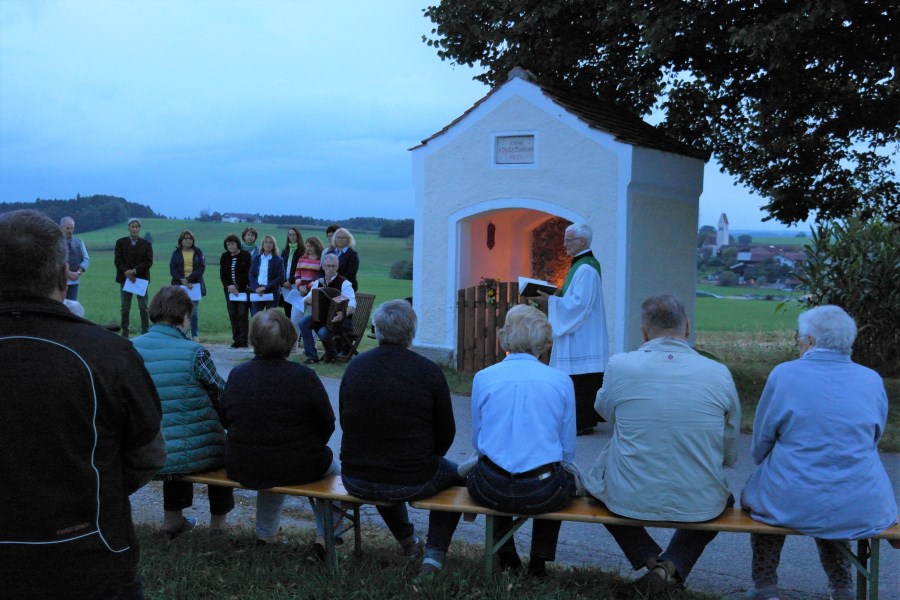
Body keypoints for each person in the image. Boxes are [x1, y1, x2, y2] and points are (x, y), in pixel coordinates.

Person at [0, 210, 166, 599]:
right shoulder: (110, 354)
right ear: (63, 275)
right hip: (87, 556)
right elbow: (149, 454)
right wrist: (96, 486)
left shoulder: (108, 354)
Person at [583, 294, 740, 596]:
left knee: (594, 486)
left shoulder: (620, 365)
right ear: (687, 327)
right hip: (699, 501)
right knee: (723, 499)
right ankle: (670, 566)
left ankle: (651, 562)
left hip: (628, 496)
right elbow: (729, 441)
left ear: (643, 330)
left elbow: (604, 410)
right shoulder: (718, 372)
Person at [741, 305, 897, 600]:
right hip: (862, 502)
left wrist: (770, 465)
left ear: (810, 341)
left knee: (766, 505)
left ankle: (765, 587)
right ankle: (842, 588)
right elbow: (872, 439)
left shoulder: (784, 374)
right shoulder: (871, 380)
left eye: (800, 339)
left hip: (790, 497)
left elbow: (761, 442)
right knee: (835, 504)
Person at [339, 300, 462, 566]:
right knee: (457, 477)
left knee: (387, 472)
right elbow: (446, 432)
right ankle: (433, 557)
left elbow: (346, 421)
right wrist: (424, 458)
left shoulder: (355, 367)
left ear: (377, 330)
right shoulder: (428, 371)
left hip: (355, 475)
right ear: (412, 332)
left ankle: (408, 542)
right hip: (409, 475)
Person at [460, 304, 579, 577]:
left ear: (507, 339)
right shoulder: (560, 381)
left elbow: (479, 442)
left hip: (491, 488)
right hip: (544, 491)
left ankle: (507, 554)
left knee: (493, 467)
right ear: (544, 343)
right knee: (560, 474)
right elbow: (567, 449)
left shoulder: (484, 377)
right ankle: (539, 561)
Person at [221, 309, 339, 560]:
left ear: (253, 341)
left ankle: (265, 534)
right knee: (336, 473)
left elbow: (227, 418)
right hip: (296, 463)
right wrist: (309, 445)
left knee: (269, 459)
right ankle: (325, 538)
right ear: (289, 341)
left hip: (242, 463)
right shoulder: (304, 376)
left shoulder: (237, 374)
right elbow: (327, 422)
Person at [132, 286, 234, 538]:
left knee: (172, 437)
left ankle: (172, 521)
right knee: (218, 447)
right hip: (194, 453)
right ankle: (218, 525)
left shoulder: (132, 348)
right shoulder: (194, 353)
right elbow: (222, 396)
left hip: (149, 450)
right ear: (186, 316)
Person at [526, 223, 608, 435]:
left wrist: (550, 302)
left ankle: (582, 422)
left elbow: (579, 304)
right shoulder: (578, 266)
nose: (564, 245)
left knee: (581, 380)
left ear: (582, 242)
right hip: (578, 332)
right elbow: (572, 299)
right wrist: (554, 297)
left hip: (583, 335)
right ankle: (575, 420)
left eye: (568, 240)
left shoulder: (587, 268)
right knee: (575, 380)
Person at [298, 253, 355, 364]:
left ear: (337, 266)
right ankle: (312, 357)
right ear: (323, 266)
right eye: (328, 265)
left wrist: (343, 314)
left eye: (333, 266)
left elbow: (352, 303)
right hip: (321, 318)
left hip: (341, 320)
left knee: (323, 332)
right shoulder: (318, 282)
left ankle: (332, 356)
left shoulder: (345, 283)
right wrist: (306, 300)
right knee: (303, 322)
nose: (331, 268)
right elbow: (305, 299)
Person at [114, 217, 153, 338]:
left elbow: (148, 261)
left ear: (139, 229)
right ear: (128, 228)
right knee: (125, 308)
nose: (134, 229)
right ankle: (125, 332)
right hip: (125, 279)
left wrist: (135, 271)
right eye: (132, 226)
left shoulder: (146, 244)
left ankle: (145, 332)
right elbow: (118, 260)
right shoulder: (120, 242)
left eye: (137, 227)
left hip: (141, 280)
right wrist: (126, 271)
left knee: (143, 307)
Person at [169, 230, 206, 341]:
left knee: (193, 311)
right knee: (179, 310)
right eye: (185, 238)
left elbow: (201, 268)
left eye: (190, 238)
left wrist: (189, 279)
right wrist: (183, 280)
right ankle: (180, 334)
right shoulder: (176, 253)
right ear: (181, 240)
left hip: (194, 285)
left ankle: (195, 335)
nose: (188, 240)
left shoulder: (198, 252)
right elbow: (172, 269)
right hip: (179, 285)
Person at [219, 233, 252, 348]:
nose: (230, 246)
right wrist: (230, 286)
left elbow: (247, 273)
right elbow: (223, 274)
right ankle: (236, 339)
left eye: (232, 244)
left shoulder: (245, 255)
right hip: (229, 290)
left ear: (237, 244)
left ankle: (244, 340)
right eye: (228, 244)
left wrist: (237, 286)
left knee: (242, 314)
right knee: (232, 314)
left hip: (242, 290)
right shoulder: (224, 256)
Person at [289, 236, 325, 335]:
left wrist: (307, 287)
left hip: (314, 294)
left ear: (317, 246)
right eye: (307, 246)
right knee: (295, 318)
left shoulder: (321, 260)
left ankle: (311, 345)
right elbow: (297, 273)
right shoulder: (302, 258)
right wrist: (300, 287)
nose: (309, 248)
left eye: (311, 246)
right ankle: (293, 345)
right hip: (300, 293)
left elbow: (319, 277)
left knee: (313, 320)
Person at [248, 235, 284, 315]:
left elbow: (281, 277)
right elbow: (251, 274)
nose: (268, 244)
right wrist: (256, 288)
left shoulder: (279, 260)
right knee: (255, 316)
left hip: (272, 293)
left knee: (270, 318)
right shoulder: (256, 258)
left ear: (273, 245)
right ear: (263, 244)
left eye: (270, 243)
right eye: (266, 242)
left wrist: (265, 288)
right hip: (257, 292)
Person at [60, 216, 89, 301]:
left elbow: (86, 259)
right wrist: (68, 273)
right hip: (58, 281)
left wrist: (78, 273)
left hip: (74, 282)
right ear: (61, 228)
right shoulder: (54, 242)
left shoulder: (79, 242)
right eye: (67, 228)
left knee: (72, 306)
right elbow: (52, 262)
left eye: (72, 228)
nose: (70, 231)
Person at [279, 226, 304, 318]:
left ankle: (297, 332)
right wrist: (284, 281)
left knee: (296, 313)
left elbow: (301, 269)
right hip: (285, 285)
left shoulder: (302, 251)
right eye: (290, 234)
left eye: (294, 234)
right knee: (287, 311)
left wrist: (291, 281)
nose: (292, 236)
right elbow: (280, 267)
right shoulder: (285, 251)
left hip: (296, 284)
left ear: (298, 236)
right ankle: (289, 331)